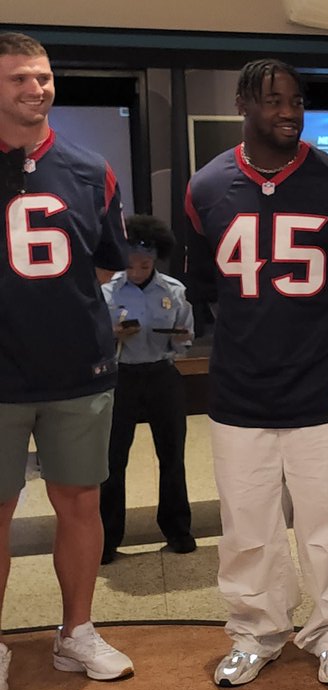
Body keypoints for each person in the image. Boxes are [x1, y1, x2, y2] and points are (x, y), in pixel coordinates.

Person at [184, 58, 328, 688]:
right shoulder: (206, 186)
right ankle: (256, 630)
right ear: (244, 103)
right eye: (274, 101)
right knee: (247, 523)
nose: (289, 112)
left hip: (322, 384)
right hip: (241, 386)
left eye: (296, 100)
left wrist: (311, 336)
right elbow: (210, 290)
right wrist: (259, 334)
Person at [0, 31, 135, 690]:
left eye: (43, 77)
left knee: (81, 502)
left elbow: (105, 262)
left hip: (78, 371)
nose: (36, 88)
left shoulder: (91, 169)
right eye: (20, 78)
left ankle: (76, 630)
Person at [100, 215, 196, 563]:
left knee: (172, 456)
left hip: (162, 375)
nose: (138, 270)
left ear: (155, 259)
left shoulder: (173, 290)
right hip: (120, 377)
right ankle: (107, 538)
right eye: (131, 264)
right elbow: (93, 338)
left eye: (145, 264)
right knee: (112, 460)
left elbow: (186, 336)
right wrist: (112, 335)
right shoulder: (107, 290)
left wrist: (182, 339)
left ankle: (178, 530)